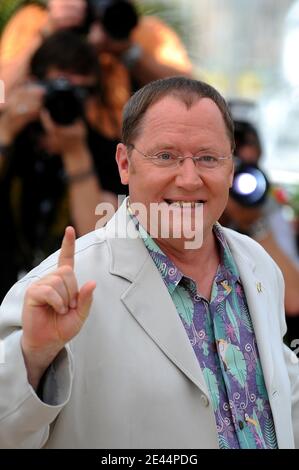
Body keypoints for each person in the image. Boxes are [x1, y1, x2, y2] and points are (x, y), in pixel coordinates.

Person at [0, 77, 298, 449]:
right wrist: (33, 358)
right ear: (125, 164)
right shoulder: (60, 289)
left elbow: (281, 398)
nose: (189, 179)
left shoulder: (257, 265)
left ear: (231, 168)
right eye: (165, 156)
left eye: (208, 157)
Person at [0, 30, 126, 303]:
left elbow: (97, 234)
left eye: (83, 92)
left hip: (67, 302)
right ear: (33, 86)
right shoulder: (12, 138)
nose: (71, 100)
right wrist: (5, 132)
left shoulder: (110, 153)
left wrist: (76, 152)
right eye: (60, 88)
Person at [0, 0, 193, 138]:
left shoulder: (142, 31)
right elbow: (2, 93)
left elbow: (190, 98)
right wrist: (46, 33)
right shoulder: (34, 21)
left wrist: (128, 50)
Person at [222, 120, 299, 331]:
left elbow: (293, 299)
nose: (236, 156)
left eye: (243, 144)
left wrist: (253, 223)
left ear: (259, 151)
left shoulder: (264, 203)